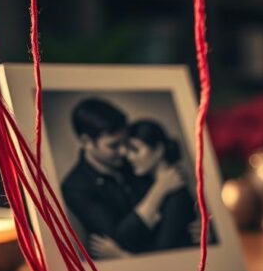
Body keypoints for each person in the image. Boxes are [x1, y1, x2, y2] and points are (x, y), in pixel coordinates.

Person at [60, 99, 184, 258]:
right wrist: (159, 190)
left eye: (125, 142)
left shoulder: (134, 163)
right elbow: (118, 238)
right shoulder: (75, 186)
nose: (124, 151)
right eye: (113, 145)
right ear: (86, 142)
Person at [86, 119, 199, 257]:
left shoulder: (177, 195)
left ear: (158, 150)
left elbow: (164, 258)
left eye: (135, 150)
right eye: (128, 151)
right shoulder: (145, 184)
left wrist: (121, 255)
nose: (129, 157)